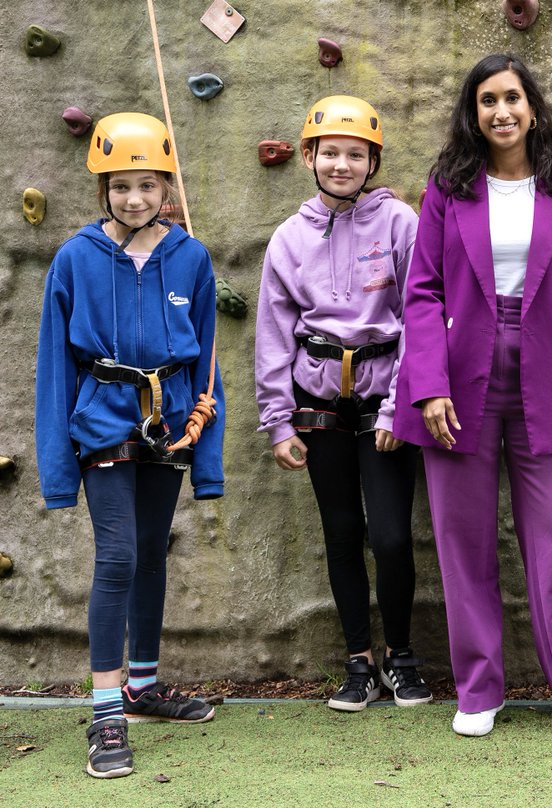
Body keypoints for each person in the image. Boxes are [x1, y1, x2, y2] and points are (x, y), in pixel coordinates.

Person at [392, 53, 552, 737]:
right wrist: (428, 386)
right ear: (473, 112)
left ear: (532, 109)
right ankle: (478, 690)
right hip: (461, 377)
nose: (501, 112)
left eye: (513, 99)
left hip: (549, 374)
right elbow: (423, 293)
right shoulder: (447, 187)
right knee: (463, 541)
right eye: (488, 100)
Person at [35, 112, 226, 778]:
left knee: (150, 552)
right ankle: (107, 710)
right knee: (116, 554)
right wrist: (59, 469)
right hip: (103, 419)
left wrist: (207, 459)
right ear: (103, 189)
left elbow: (207, 367)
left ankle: (142, 685)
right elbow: (54, 369)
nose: (134, 198)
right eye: (121, 186)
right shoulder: (75, 258)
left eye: (147, 185)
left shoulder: (191, 257)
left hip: (171, 422)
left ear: (167, 188)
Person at [255, 95, 432, 713]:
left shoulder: (400, 224)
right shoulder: (289, 238)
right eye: (329, 152)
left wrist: (399, 408)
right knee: (341, 532)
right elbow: (275, 332)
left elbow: (420, 316)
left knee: (388, 535)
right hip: (320, 401)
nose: (341, 164)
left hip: (384, 398)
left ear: (372, 160)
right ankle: (357, 659)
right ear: (308, 156)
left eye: (354, 154)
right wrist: (278, 419)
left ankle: (402, 656)